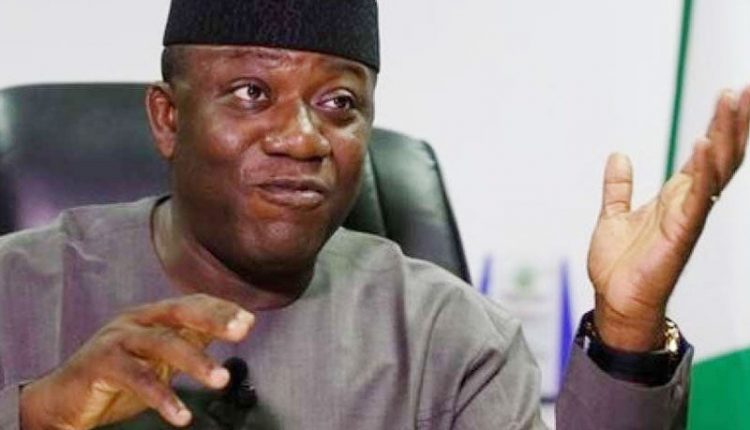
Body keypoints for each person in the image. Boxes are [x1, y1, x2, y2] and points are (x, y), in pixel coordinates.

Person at [0, 0, 748, 429]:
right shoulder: (18, 289)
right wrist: (31, 416)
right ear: (168, 118)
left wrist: (626, 330)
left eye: (339, 103)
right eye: (252, 94)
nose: (302, 138)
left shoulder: (452, 340)